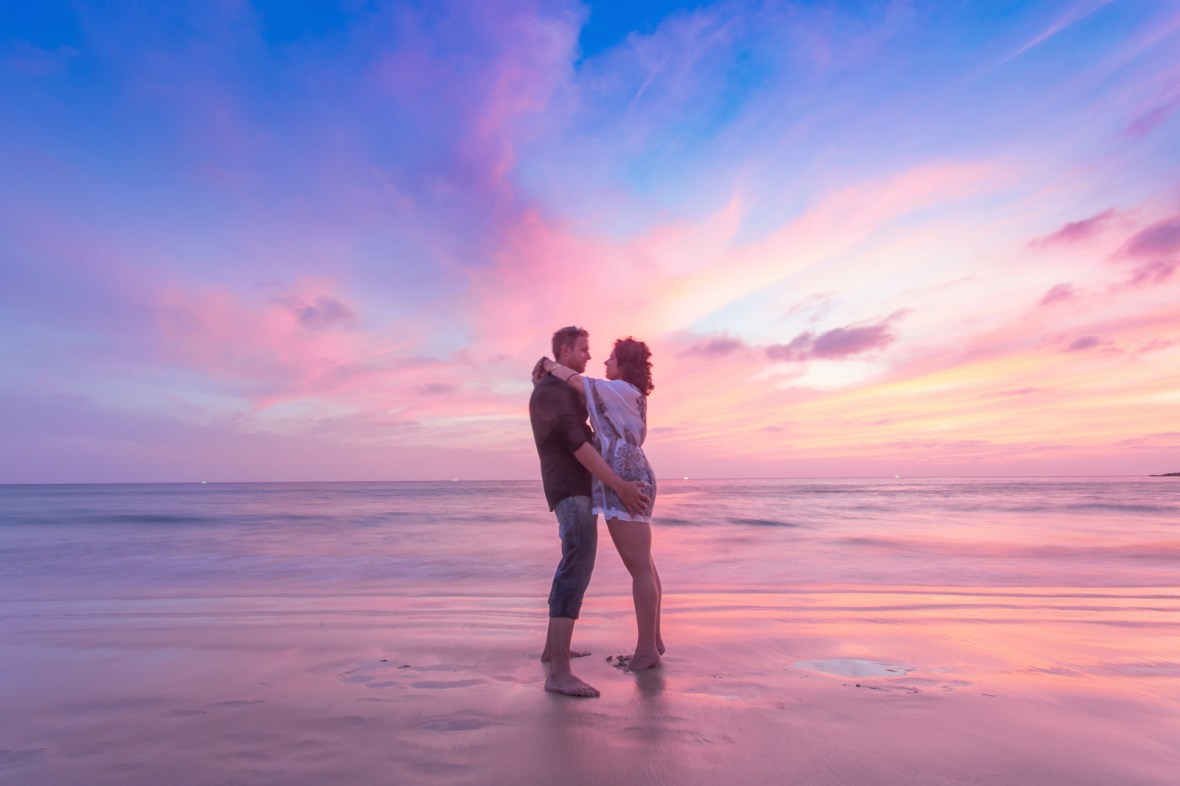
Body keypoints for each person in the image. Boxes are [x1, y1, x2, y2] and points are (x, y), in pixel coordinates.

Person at [529, 326, 650, 697]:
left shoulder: (562, 388)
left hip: (578, 489)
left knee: (573, 561)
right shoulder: (551, 392)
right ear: (564, 351)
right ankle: (559, 673)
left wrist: (550, 368)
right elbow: (579, 446)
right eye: (583, 350)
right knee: (577, 563)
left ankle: (554, 651)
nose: (588, 357)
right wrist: (618, 485)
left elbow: (594, 406)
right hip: (571, 489)